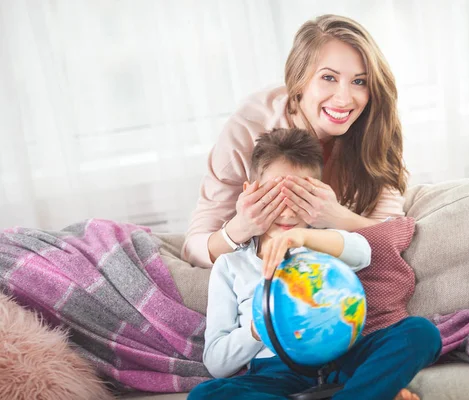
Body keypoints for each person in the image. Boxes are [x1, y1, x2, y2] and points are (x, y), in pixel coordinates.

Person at [188, 128, 440, 400]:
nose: (287, 210)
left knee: (421, 333)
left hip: (343, 357)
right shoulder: (231, 265)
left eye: (300, 195)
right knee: (206, 395)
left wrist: (304, 236)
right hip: (276, 371)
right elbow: (216, 362)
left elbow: (363, 251)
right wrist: (260, 327)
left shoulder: (323, 243)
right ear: (251, 193)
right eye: (274, 195)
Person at [183, 14, 408, 269]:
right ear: (298, 81)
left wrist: (336, 217)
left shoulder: (375, 126)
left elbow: (395, 235)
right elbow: (194, 248)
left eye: (359, 81)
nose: (344, 99)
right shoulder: (247, 128)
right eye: (328, 77)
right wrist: (240, 227)